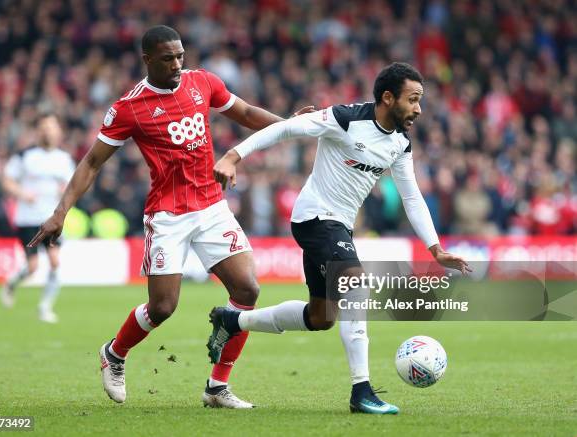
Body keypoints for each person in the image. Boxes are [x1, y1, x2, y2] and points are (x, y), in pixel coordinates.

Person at [27, 25, 313, 408]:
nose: (178, 64)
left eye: (180, 55)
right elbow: (92, 162)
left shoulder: (202, 82)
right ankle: (113, 353)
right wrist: (60, 212)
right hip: (168, 215)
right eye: (168, 58)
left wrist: (290, 124)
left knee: (247, 289)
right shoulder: (129, 108)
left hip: (212, 206)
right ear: (147, 59)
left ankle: (216, 387)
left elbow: (243, 112)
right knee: (162, 308)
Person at [208, 62, 471, 414]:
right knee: (355, 283)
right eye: (413, 99)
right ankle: (361, 391)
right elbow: (286, 130)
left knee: (322, 317)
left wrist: (435, 248)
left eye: (420, 100)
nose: (418, 109)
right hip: (316, 218)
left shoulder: (399, 143)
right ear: (388, 98)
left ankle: (232, 320)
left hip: (337, 227)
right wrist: (232, 155)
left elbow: (412, 196)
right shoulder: (346, 119)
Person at [0, 113, 75, 323]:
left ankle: (45, 307)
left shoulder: (64, 159)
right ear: (38, 131)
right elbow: (7, 180)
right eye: (44, 127)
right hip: (28, 219)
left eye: (51, 127)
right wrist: (22, 194)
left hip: (52, 219)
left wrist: (66, 191)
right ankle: (11, 283)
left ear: (58, 131)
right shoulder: (25, 156)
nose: (47, 131)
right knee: (32, 268)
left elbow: (72, 186)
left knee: (54, 262)